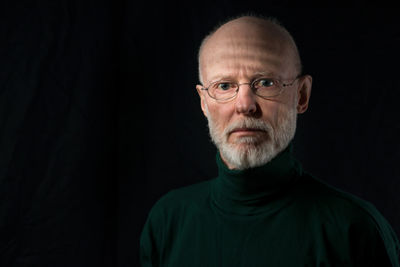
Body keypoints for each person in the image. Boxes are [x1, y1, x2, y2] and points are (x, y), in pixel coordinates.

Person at [140, 15, 400, 266]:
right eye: (224, 86)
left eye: (265, 82)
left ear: (301, 95)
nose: (244, 105)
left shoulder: (353, 231)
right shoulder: (167, 222)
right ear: (204, 102)